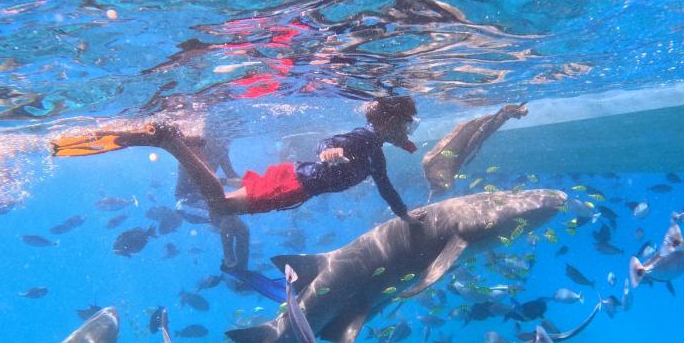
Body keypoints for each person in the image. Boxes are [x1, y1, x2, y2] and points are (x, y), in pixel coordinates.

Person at [53, 95, 423, 262]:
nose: (408, 130)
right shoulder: (364, 139)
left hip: (293, 181)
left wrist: (405, 215)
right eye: (406, 123)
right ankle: (170, 141)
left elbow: (386, 187)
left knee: (223, 207)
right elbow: (334, 141)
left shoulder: (376, 152)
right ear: (389, 122)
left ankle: (183, 144)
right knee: (220, 205)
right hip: (293, 185)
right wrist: (330, 151)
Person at [173, 132, 251, 273]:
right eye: (225, 139)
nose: (227, 143)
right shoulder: (193, 148)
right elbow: (200, 178)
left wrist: (252, 186)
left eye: (229, 140)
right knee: (228, 217)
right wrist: (224, 182)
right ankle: (230, 261)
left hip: (207, 200)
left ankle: (242, 270)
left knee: (243, 231)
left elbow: (232, 175)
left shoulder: (221, 151)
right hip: (187, 202)